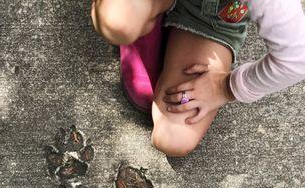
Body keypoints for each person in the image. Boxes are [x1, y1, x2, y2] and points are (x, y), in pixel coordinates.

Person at [91, 0, 305, 157]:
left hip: (212, 18)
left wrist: (224, 87)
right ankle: (144, 26)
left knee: (174, 136)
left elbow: (296, 59)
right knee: (117, 21)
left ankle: (150, 26)